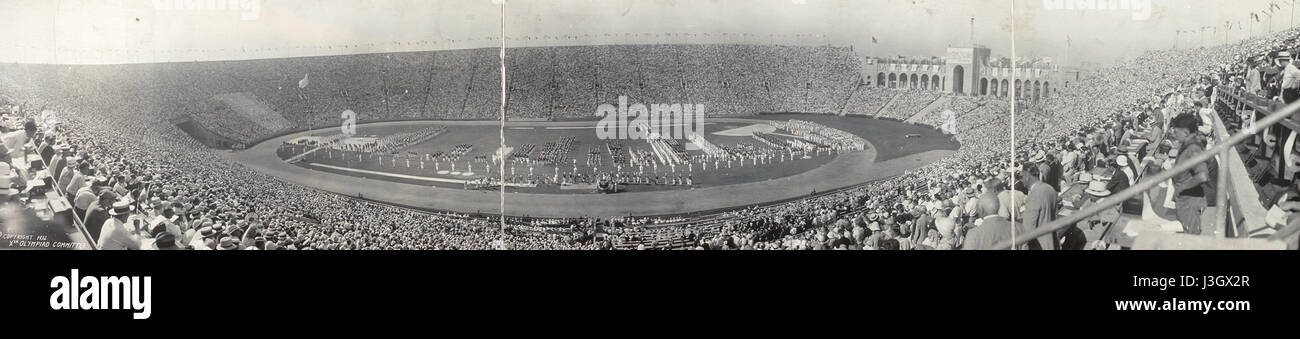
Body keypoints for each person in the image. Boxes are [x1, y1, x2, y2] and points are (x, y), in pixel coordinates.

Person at [1169, 114, 1209, 235]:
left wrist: (1182, 187)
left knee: (1189, 236)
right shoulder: (1189, 145)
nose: (1174, 135)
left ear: (1186, 132)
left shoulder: (1192, 149)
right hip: (1185, 200)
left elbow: (1203, 175)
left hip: (1189, 201)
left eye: (1176, 132)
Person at [1020, 163, 1059, 250]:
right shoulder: (1050, 188)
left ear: (1027, 176)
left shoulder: (1034, 195)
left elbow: (1028, 229)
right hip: (1052, 240)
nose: (1021, 180)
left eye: (1022, 176)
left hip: (1039, 244)